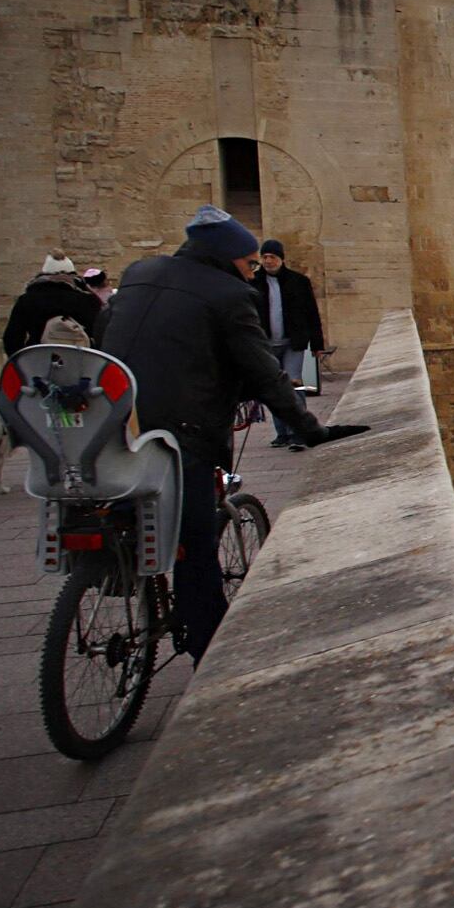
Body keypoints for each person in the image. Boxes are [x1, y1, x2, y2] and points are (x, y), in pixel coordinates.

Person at [97, 205, 365, 660]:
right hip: (180, 433)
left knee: (133, 513)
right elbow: (264, 371)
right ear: (227, 256)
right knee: (195, 546)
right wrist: (311, 428)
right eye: (248, 263)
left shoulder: (140, 272)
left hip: (114, 423)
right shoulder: (227, 294)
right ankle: (210, 654)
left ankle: (115, 570)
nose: (251, 273)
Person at [253, 240, 326, 447]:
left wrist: (317, 343)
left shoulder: (298, 281)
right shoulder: (254, 282)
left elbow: (312, 313)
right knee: (274, 389)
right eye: (265, 257)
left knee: (294, 385)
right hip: (266, 345)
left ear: (281, 259)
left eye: (272, 257)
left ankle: (300, 431)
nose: (268, 261)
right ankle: (282, 433)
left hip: (293, 343)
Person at [2, 254, 105, 356]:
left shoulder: (27, 300)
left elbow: (12, 339)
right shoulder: (89, 301)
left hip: (38, 363)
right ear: (73, 276)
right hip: (82, 364)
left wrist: (23, 363)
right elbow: (101, 335)